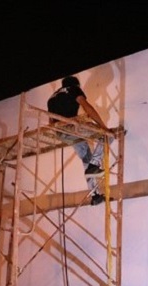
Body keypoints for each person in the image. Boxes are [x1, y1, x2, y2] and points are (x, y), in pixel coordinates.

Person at [47, 76, 111, 205]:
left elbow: (51, 121)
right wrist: (103, 127)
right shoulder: (73, 89)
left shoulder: (51, 98)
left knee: (86, 159)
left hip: (61, 133)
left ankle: (95, 195)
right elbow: (88, 107)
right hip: (72, 128)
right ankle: (94, 165)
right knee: (108, 136)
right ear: (76, 85)